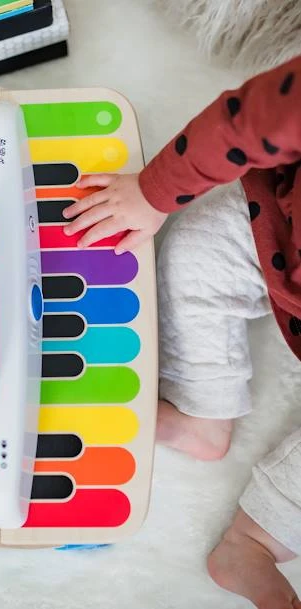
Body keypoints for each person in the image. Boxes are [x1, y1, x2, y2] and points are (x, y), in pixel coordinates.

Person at [63, 55, 301, 609]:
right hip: (278, 235)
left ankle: (251, 542)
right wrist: (151, 193)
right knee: (195, 251)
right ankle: (201, 416)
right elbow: (243, 122)